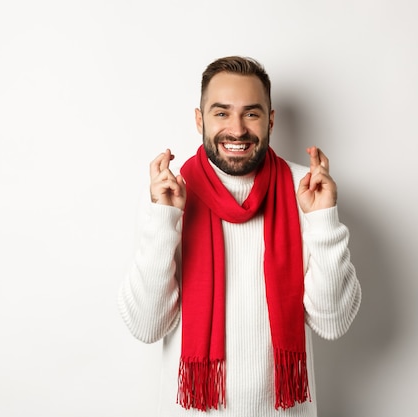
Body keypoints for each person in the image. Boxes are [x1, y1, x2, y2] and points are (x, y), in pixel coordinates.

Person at [118, 56, 361, 417]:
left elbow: (333, 322)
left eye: (251, 113)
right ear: (199, 119)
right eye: (221, 113)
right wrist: (164, 218)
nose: (237, 129)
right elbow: (147, 325)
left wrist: (324, 218)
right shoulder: (169, 193)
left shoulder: (305, 190)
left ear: (270, 120)